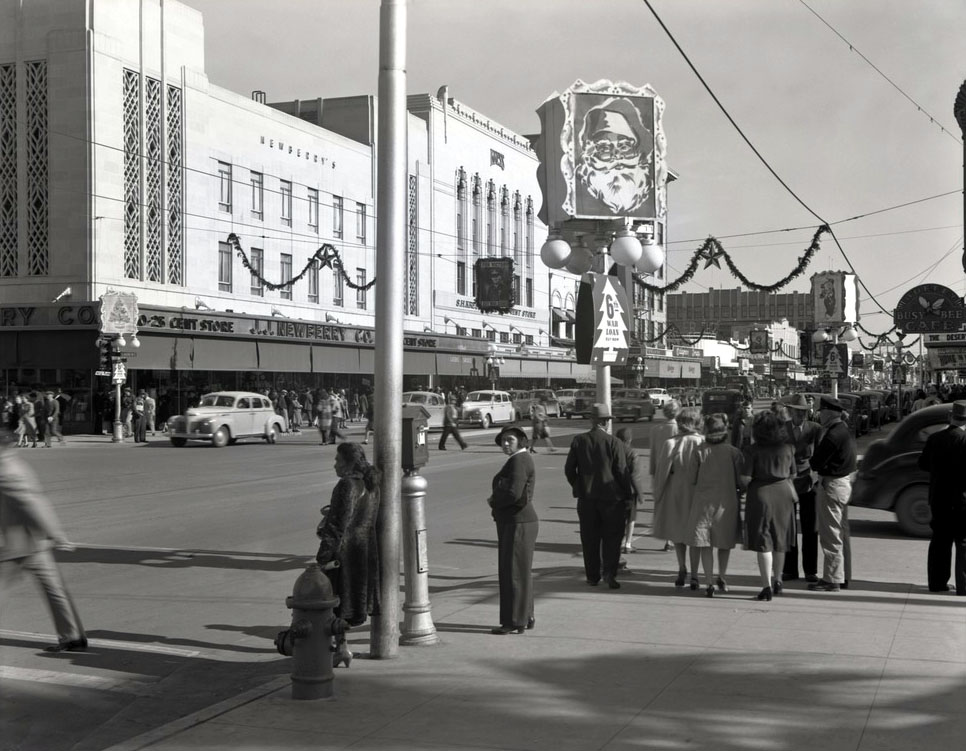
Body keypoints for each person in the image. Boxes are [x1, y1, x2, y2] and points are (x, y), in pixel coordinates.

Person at [0, 409, 87, 652]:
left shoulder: (7, 471)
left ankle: (72, 636)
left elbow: (32, 503)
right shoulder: (15, 464)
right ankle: (72, 636)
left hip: (17, 545)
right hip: (33, 542)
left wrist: (57, 534)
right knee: (54, 590)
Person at [315, 442, 381, 667]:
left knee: (334, 602)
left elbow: (337, 525)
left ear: (347, 463)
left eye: (337, 460)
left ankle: (339, 649)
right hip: (364, 550)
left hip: (345, 554)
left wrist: (323, 557)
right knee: (346, 605)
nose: (334, 464)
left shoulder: (346, 485)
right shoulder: (370, 484)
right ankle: (341, 649)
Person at [565, 403, 631, 589]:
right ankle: (609, 573)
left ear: (592, 420)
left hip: (587, 499)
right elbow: (621, 472)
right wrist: (627, 495)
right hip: (612, 500)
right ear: (606, 422)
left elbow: (569, 469)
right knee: (612, 538)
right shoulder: (614, 443)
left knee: (589, 538)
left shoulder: (579, 440)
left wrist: (579, 486)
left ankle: (592, 576)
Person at [740, 411, 798, 601]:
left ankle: (766, 586)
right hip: (784, 494)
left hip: (760, 495)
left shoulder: (751, 450)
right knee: (780, 539)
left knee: (763, 541)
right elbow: (793, 474)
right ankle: (778, 580)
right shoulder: (788, 448)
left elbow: (745, 479)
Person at [487, 426, 538, 635]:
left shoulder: (519, 460)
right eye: (503, 441)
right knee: (520, 571)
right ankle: (526, 615)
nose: (505, 444)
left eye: (510, 440)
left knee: (513, 573)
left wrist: (493, 501)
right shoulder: (520, 459)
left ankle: (514, 621)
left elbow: (513, 493)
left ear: (521, 441)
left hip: (517, 522)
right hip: (519, 521)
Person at [686, 413, 744, 597]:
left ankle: (709, 582)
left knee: (705, 544)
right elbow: (740, 481)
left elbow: (691, 478)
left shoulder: (699, 451)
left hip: (703, 503)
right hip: (726, 503)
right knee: (724, 544)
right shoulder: (734, 452)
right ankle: (722, 576)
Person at [917, 400, 966, 595]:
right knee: (963, 542)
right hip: (962, 501)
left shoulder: (935, 439)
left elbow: (923, 464)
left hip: (939, 498)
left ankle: (937, 583)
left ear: (950, 417)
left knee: (940, 541)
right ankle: (964, 586)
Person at [808, 396, 857, 593]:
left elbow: (816, 462)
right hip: (843, 484)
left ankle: (832, 579)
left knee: (831, 535)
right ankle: (843, 575)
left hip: (832, 486)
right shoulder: (844, 431)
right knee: (842, 533)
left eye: (822, 412)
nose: (820, 416)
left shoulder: (832, 435)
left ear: (830, 413)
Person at [653, 407, 704, 588]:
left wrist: (658, 495)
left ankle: (682, 567)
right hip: (697, 494)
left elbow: (661, 474)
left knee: (678, 533)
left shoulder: (671, 444)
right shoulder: (703, 443)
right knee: (696, 535)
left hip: (675, 492)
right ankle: (696, 574)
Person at [781, 393, 823, 583]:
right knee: (789, 528)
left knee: (810, 528)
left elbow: (821, 454)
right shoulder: (782, 429)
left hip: (809, 482)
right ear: (790, 412)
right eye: (798, 412)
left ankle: (810, 570)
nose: (801, 416)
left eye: (804, 412)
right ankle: (789, 570)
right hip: (788, 484)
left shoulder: (815, 429)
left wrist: (816, 475)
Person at [649, 400, 681, 552]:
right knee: (675, 508)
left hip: (659, 473)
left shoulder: (656, 429)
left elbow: (653, 454)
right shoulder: (679, 429)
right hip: (676, 474)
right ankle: (672, 540)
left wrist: (653, 474)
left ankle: (667, 537)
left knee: (664, 507)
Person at [617, 427, 643, 554]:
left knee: (618, 518)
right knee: (631, 518)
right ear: (629, 439)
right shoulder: (632, 453)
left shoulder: (613, 451)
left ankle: (618, 542)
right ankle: (628, 544)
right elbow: (635, 476)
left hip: (615, 489)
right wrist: (640, 493)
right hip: (630, 490)